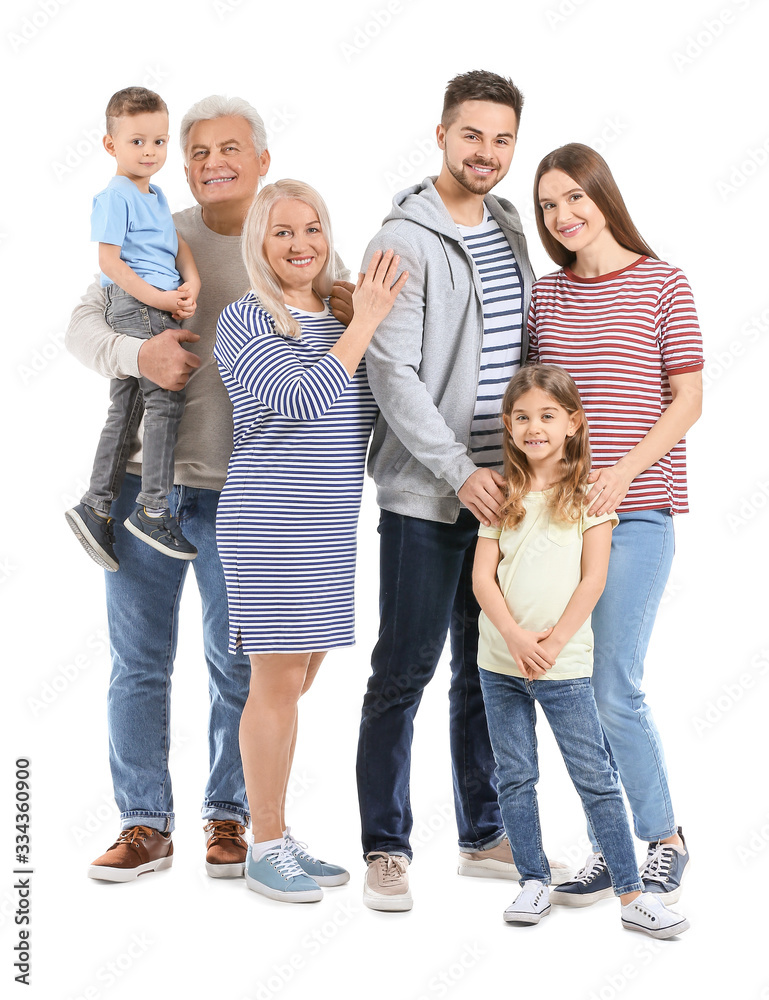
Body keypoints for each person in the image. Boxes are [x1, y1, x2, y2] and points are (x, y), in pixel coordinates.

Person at [65, 96, 355, 882]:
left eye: (231, 147)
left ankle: (230, 818)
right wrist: (136, 356)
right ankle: (142, 823)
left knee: (242, 667)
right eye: (197, 151)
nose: (211, 162)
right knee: (139, 662)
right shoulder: (159, 232)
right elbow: (80, 327)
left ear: (263, 159)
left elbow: (340, 364)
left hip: (245, 499)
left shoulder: (294, 246)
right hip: (143, 487)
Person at [355, 69, 571, 913]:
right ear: (441, 135)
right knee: (402, 671)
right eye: (471, 135)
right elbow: (391, 371)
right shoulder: (403, 239)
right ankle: (385, 846)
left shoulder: (512, 225)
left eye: (501, 139)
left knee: (487, 671)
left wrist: (524, 470)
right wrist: (460, 472)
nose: (486, 153)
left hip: (510, 495)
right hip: (429, 495)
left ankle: (483, 835)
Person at [214, 180, 407, 903]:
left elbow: (369, 406)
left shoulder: (340, 313)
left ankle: (277, 829)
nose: (301, 245)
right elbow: (301, 398)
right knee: (274, 684)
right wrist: (366, 321)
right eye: (282, 232)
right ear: (259, 244)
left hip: (327, 527)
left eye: (313, 229)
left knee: (297, 682)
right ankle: (263, 843)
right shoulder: (247, 318)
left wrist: (365, 316)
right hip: (267, 524)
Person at [528, 142, 704, 905]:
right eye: (546, 206)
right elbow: (532, 412)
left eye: (573, 197)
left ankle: (662, 838)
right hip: (560, 528)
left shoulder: (665, 283)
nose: (562, 216)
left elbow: (687, 400)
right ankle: (611, 842)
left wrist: (623, 472)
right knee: (569, 689)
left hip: (636, 516)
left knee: (613, 686)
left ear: (602, 195)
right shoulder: (547, 297)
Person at [473, 364, 689, 938]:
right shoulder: (502, 494)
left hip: (563, 666)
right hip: (500, 664)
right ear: (508, 425)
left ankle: (631, 894)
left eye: (547, 415)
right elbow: (481, 580)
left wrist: (555, 641)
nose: (534, 427)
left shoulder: (588, 495)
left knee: (594, 778)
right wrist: (517, 639)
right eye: (522, 417)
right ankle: (533, 880)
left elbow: (593, 580)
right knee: (515, 776)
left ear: (573, 423)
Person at [66, 87, 201, 566]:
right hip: (138, 304)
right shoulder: (115, 195)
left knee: (126, 408)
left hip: (157, 302)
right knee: (165, 400)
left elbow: (175, 243)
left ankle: (97, 504)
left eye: (160, 142)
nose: (150, 152)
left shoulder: (157, 194)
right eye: (138, 141)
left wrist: (193, 279)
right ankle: (153, 508)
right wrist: (161, 298)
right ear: (110, 146)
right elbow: (111, 264)